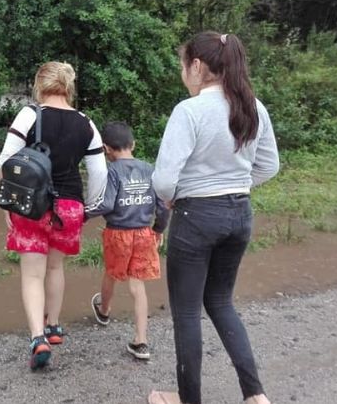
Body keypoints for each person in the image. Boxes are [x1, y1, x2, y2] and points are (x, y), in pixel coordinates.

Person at [148, 32, 279, 404]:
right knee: (221, 301)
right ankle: (255, 395)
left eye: (182, 66)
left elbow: (163, 180)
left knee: (187, 312)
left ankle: (188, 399)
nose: (182, 74)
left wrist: (173, 197)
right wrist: (234, 184)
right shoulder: (254, 107)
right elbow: (269, 165)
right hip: (240, 214)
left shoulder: (189, 111)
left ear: (197, 66)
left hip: (196, 216)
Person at [0, 61, 107, 370]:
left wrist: (9, 204)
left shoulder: (29, 115)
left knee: (33, 274)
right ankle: (54, 326)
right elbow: (99, 172)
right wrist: (89, 208)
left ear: (39, 85)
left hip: (32, 205)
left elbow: (6, 160)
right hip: (70, 206)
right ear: (68, 87)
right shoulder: (86, 123)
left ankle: (38, 338)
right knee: (56, 267)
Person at [85, 121, 169, 361]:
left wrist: (82, 214)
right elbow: (163, 206)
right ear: (133, 144)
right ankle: (141, 341)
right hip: (143, 233)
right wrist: (158, 229)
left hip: (118, 234)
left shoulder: (111, 172)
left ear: (106, 149)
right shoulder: (150, 169)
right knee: (137, 285)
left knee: (111, 273)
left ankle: (104, 311)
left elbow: (106, 204)